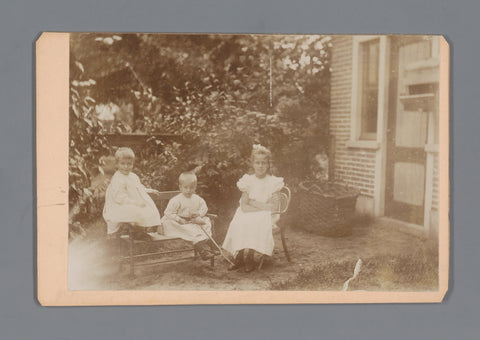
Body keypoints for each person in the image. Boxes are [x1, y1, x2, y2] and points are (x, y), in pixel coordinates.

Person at [222, 144, 284, 272]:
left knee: (256, 222)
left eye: (264, 163)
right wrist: (262, 206)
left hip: (267, 215)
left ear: (268, 165)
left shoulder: (273, 182)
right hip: (249, 211)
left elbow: (274, 207)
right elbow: (244, 206)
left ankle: (249, 256)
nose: (260, 166)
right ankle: (238, 255)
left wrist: (255, 203)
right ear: (253, 164)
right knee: (239, 220)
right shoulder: (248, 181)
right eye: (257, 163)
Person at [103, 147, 161, 240]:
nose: (126, 167)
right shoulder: (118, 178)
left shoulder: (133, 176)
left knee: (147, 209)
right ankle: (131, 231)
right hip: (119, 204)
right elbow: (120, 198)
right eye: (122, 164)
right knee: (136, 211)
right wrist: (136, 203)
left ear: (133, 164)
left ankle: (139, 232)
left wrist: (150, 190)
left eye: (129, 164)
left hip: (130, 202)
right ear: (117, 164)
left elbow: (139, 188)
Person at [161, 172, 215, 260]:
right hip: (179, 223)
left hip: (191, 222)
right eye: (185, 187)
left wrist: (198, 214)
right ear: (180, 187)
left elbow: (204, 208)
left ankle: (208, 243)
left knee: (206, 221)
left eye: (191, 188)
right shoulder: (176, 200)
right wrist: (178, 219)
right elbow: (168, 212)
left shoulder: (198, 199)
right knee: (171, 223)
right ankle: (202, 249)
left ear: (195, 187)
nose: (188, 190)